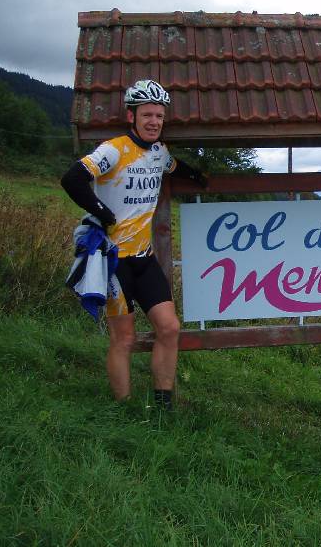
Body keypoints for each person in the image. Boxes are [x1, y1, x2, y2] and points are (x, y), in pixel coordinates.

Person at [61, 79, 206, 410]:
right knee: (123, 338)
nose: (154, 121)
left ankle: (164, 404)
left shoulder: (159, 153)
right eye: (147, 115)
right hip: (114, 262)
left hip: (144, 258)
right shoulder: (114, 149)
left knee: (169, 328)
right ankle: (123, 409)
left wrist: (199, 177)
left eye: (159, 116)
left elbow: (174, 167)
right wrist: (102, 211)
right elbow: (72, 178)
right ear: (132, 117)